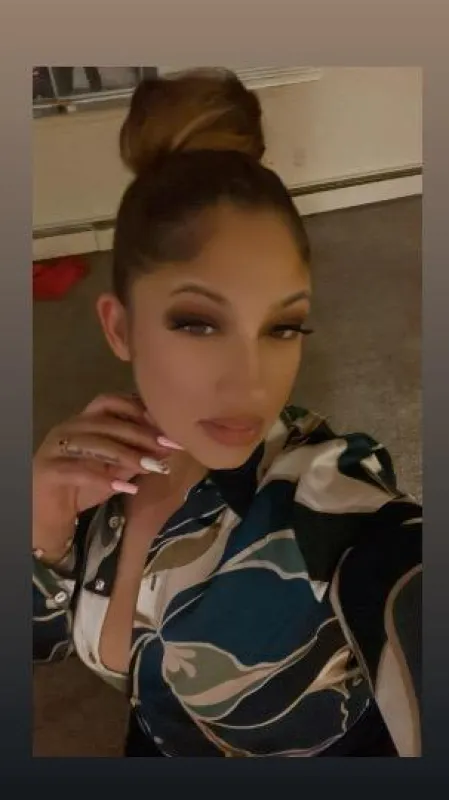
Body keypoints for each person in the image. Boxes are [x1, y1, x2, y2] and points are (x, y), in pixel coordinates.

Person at [33, 68, 422, 758]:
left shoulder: (325, 505)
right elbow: (42, 640)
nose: (250, 383)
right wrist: (43, 524)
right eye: (198, 322)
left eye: (283, 327)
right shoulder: (94, 471)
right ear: (119, 327)